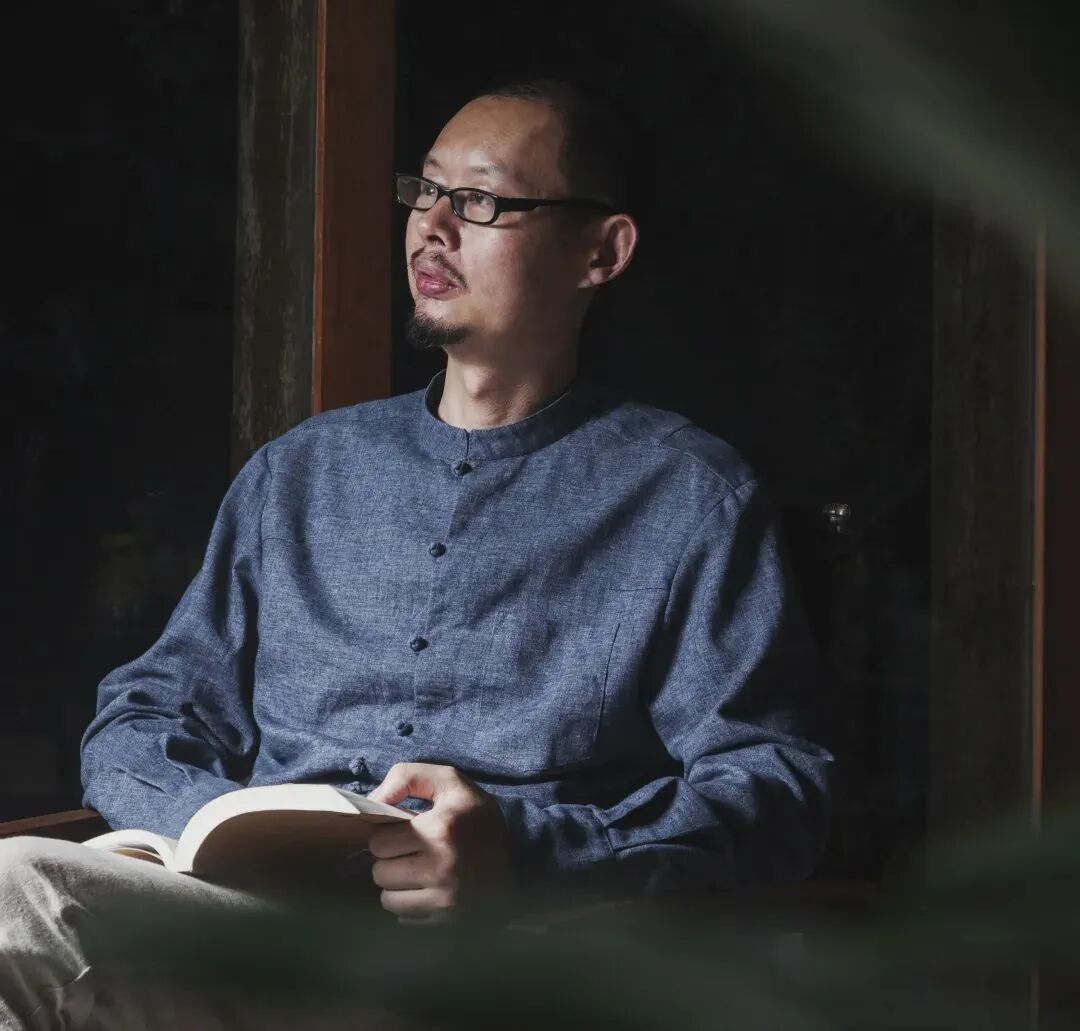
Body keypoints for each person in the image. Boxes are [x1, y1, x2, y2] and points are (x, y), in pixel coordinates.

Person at [0, 79, 833, 1026]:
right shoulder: (299, 474)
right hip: (265, 942)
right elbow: (144, 712)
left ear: (601, 251)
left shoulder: (688, 496)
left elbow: (776, 789)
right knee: (18, 898)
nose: (431, 228)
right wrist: (211, 826)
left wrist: (524, 848)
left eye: (479, 201)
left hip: (513, 962)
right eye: (425, 190)